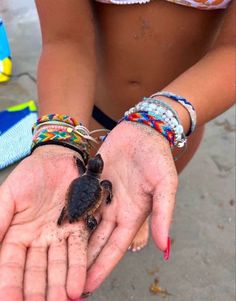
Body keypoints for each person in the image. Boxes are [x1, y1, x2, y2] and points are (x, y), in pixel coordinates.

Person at [0, 0, 235, 300]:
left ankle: (141, 214)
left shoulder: (85, 174)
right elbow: (65, 40)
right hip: (92, 112)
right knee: (105, 210)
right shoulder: (98, 180)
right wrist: (57, 144)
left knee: (147, 187)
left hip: (172, 126)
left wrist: (161, 122)